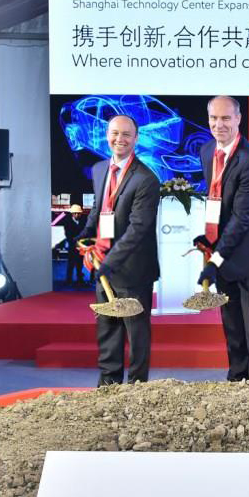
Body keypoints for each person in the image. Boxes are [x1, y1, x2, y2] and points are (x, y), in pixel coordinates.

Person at [194, 96, 249, 382]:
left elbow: (242, 218)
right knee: (232, 326)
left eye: (226, 118)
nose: (219, 125)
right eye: (214, 118)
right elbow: (216, 199)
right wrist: (210, 239)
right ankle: (236, 379)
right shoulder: (207, 151)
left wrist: (214, 260)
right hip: (224, 252)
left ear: (239, 119)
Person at [78, 114, 160, 385]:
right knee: (107, 330)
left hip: (133, 270)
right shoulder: (99, 169)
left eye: (126, 134)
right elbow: (99, 209)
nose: (119, 139)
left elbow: (138, 229)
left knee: (136, 334)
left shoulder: (146, 179)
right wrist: (85, 235)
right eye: (114, 133)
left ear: (136, 138)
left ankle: (137, 389)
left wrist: (109, 262)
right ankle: (108, 386)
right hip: (103, 265)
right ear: (106, 135)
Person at [62, 204, 88, 287]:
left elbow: (85, 232)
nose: (77, 215)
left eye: (78, 213)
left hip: (81, 246)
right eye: (75, 213)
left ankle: (80, 280)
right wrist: (75, 241)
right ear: (72, 213)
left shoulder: (84, 221)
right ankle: (68, 280)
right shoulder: (67, 222)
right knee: (71, 264)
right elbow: (68, 235)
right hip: (72, 246)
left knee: (80, 264)